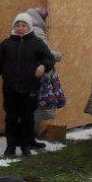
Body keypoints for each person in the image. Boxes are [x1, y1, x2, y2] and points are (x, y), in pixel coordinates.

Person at [0, 14, 55, 158]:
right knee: (11, 117)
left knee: (27, 118)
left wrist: (43, 66)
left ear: (29, 27)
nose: (20, 28)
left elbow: (50, 59)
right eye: (18, 25)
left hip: (30, 88)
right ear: (14, 27)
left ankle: (25, 146)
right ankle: (10, 147)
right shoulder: (6, 44)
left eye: (24, 25)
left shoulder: (37, 43)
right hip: (10, 88)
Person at [27, 8, 61, 149]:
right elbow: (44, 53)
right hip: (37, 73)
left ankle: (27, 138)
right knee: (35, 106)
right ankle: (30, 139)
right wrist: (58, 56)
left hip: (28, 73)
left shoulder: (27, 26)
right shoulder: (38, 31)